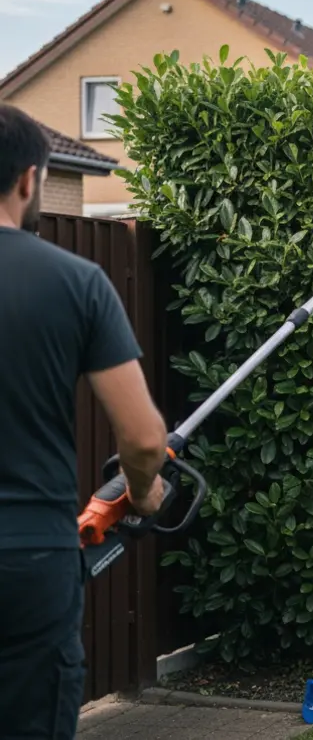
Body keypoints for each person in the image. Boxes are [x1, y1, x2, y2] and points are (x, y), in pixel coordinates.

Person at [0, 104, 168, 738]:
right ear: (28, 179)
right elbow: (145, 438)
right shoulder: (76, 281)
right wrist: (145, 492)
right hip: (27, 558)